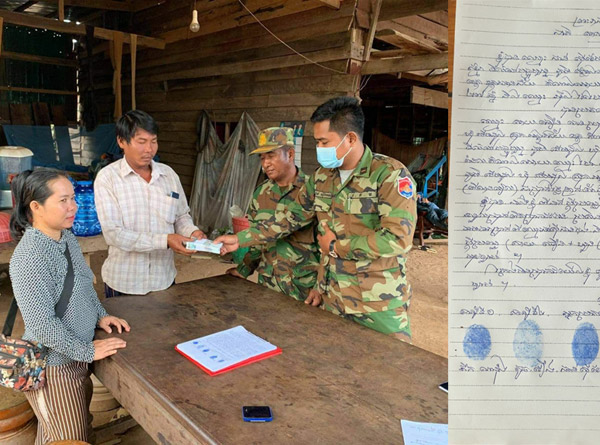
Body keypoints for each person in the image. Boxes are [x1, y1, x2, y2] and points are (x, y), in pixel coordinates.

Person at [216, 97, 417, 342]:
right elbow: (289, 219)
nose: (319, 148)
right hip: (332, 297)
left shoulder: (389, 175)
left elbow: (397, 239)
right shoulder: (322, 178)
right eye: (317, 142)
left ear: (350, 139)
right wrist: (240, 239)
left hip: (377, 303)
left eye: (324, 142)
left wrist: (335, 247)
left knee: (388, 362)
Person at [8, 168, 130, 444]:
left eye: (73, 198)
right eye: (63, 200)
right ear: (36, 207)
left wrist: (100, 316)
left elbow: (83, 285)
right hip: (53, 368)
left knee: (70, 432)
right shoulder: (29, 257)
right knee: (69, 438)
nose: (73, 206)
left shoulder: (65, 237)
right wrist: (87, 351)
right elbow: (41, 325)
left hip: (75, 358)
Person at [94, 110, 206, 296]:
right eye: (141, 141)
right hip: (124, 283)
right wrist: (165, 240)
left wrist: (192, 232)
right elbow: (114, 234)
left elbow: (181, 216)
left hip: (164, 279)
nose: (149, 149)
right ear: (121, 141)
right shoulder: (108, 178)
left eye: (153, 141)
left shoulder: (168, 175)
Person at [227, 127, 322, 305]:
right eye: (262, 158)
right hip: (268, 286)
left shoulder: (313, 191)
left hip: (304, 290)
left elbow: (328, 246)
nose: (266, 164)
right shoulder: (261, 193)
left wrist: (321, 286)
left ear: (290, 154)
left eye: (271, 156)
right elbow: (257, 239)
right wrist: (244, 269)